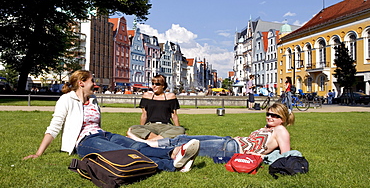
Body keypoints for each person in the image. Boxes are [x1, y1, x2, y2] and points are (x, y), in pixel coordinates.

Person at [23, 70, 199, 172]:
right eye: (92, 81)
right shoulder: (66, 100)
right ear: (82, 83)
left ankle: (174, 152)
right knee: (123, 153)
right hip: (84, 141)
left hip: (102, 134)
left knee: (134, 145)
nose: (95, 83)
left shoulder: (93, 100)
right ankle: (171, 165)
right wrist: (39, 153)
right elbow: (53, 128)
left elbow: (96, 125)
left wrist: (103, 135)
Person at [127, 103, 294, 160]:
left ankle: (144, 146)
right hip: (230, 141)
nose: (270, 117)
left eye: (275, 115)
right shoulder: (269, 128)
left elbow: (285, 155)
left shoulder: (280, 130)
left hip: (232, 149)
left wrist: (261, 156)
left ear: (283, 118)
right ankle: (146, 143)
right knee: (183, 138)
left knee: (187, 146)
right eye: (268, 114)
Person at [128, 74, 186, 141]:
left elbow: (174, 115)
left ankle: (149, 140)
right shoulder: (147, 96)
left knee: (180, 130)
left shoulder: (170, 97)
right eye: (153, 84)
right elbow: (144, 114)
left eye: (157, 84)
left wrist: (179, 130)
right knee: (133, 128)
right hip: (150, 125)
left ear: (163, 86)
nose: (154, 86)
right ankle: (161, 140)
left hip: (166, 125)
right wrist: (142, 127)